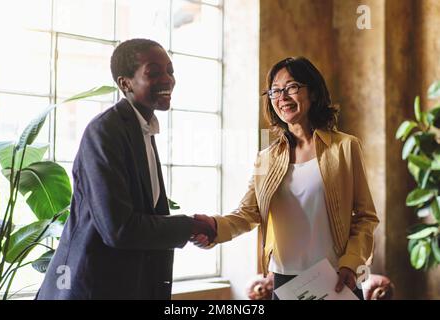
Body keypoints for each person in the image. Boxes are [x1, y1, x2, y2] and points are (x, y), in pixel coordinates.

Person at [36, 39, 216, 300]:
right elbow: (118, 229)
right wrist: (187, 226)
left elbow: (145, 213)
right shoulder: (105, 131)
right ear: (125, 83)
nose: (168, 79)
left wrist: (190, 229)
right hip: (92, 289)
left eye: (170, 70)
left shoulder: (142, 128)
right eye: (154, 72)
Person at [192, 57, 379, 300]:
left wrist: (351, 262)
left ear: (312, 92)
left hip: (337, 276)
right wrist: (215, 227)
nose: (282, 97)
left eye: (291, 87)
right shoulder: (265, 156)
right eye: (275, 91)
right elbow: (248, 212)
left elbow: (366, 217)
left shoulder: (345, 147)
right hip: (285, 281)